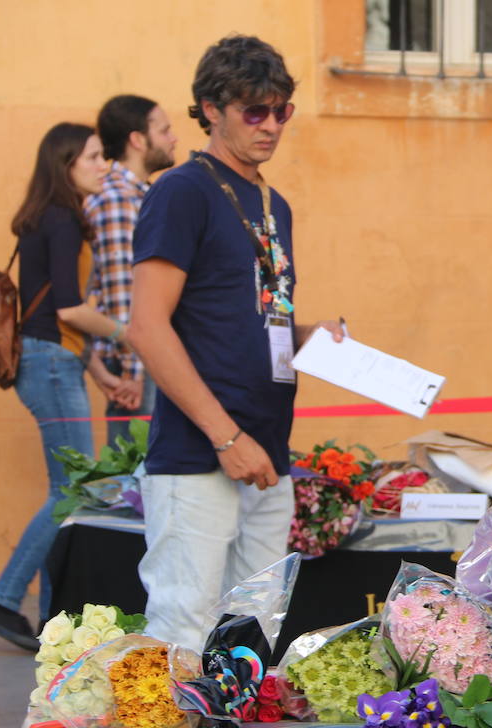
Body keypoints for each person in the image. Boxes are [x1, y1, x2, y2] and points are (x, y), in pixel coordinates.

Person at [128, 35, 343, 652]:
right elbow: (148, 326)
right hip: (201, 452)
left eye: (282, 110)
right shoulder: (182, 190)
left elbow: (252, 319)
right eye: (255, 110)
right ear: (211, 108)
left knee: (252, 632)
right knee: (183, 633)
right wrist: (226, 437)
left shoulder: (275, 203)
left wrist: (310, 337)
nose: (271, 125)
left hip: (268, 450)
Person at [0, 123, 127, 649]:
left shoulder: (48, 216)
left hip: (50, 359)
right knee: (74, 491)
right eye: (92, 157)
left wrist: (103, 374)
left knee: (73, 491)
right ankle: (4, 600)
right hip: (49, 365)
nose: (102, 165)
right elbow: (69, 309)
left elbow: (56, 324)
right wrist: (130, 334)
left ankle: (49, 619)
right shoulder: (62, 219)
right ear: (65, 164)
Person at [86, 94, 179, 446]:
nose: (174, 138)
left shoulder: (140, 195)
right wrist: (134, 372)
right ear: (137, 140)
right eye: (165, 130)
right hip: (137, 364)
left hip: (151, 357)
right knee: (130, 488)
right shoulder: (117, 199)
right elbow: (124, 293)